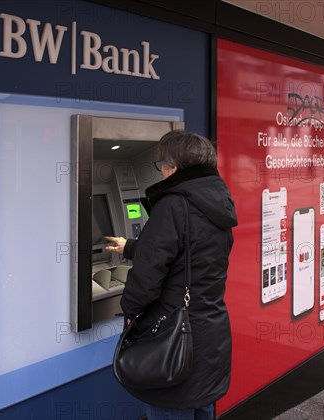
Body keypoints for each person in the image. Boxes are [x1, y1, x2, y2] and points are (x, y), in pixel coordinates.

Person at [105, 130, 238, 420]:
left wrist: (129, 311)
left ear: (174, 168)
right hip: (209, 334)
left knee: (169, 409)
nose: (160, 172)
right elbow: (189, 252)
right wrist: (130, 246)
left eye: (160, 166)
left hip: (173, 339)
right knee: (202, 408)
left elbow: (147, 277)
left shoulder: (172, 204)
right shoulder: (217, 202)